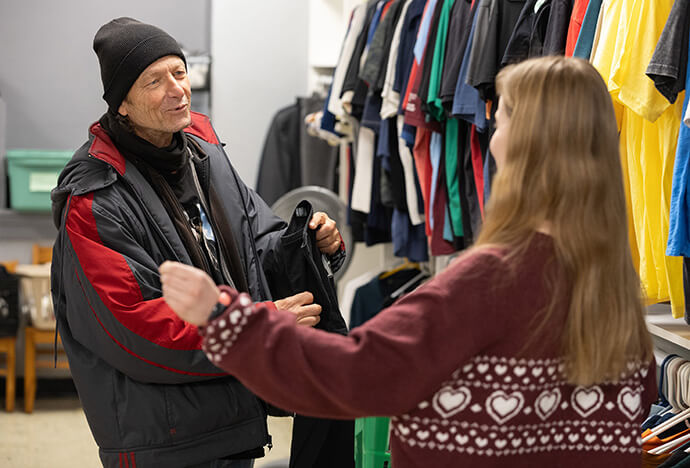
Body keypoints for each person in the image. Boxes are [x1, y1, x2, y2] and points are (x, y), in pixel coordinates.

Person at [161, 56, 658, 468]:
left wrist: (226, 318)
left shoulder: (492, 280)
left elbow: (355, 375)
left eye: (502, 119)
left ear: (527, 144)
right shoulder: (612, 294)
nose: (493, 134)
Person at [50, 17, 345, 468]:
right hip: (164, 439)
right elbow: (135, 330)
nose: (177, 90)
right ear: (122, 104)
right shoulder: (95, 199)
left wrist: (307, 244)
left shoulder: (202, 153)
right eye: (154, 80)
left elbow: (254, 245)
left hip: (230, 419)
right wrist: (254, 328)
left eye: (180, 72)